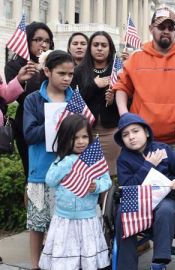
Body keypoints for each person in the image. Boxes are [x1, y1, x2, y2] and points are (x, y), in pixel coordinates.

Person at [113, 5, 175, 164]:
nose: (166, 31)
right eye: (161, 26)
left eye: (171, 27)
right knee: (143, 187)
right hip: (142, 142)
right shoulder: (136, 56)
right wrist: (124, 115)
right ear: (151, 28)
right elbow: (121, 87)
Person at [114, 113, 175, 270]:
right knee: (121, 213)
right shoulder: (124, 159)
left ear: (146, 132)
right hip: (137, 202)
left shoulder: (162, 149)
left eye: (135, 131)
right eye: (126, 135)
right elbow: (128, 187)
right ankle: (126, 266)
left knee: (166, 209)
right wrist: (147, 166)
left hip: (166, 200)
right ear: (122, 140)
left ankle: (159, 261)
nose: (131, 137)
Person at [22, 50, 75, 269]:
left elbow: (85, 132)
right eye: (61, 73)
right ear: (47, 71)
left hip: (69, 172)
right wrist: (55, 121)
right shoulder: (33, 99)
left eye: (70, 74)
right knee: (37, 223)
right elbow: (29, 134)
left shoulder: (75, 99)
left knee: (64, 223)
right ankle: (35, 264)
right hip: (41, 170)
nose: (66, 78)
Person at [39, 114, 111, 270]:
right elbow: (50, 180)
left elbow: (107, 181)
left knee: (87, 258)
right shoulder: (61, 161)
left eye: (85, 136)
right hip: (64, 219)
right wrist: (68, 162)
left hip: (87, 218)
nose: (80, 141)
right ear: (66, 138)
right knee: (65, 260)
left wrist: (96, 186)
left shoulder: (94, 159)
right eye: (75, 137)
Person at [4, 21, 54, 177]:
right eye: (38, 40)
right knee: (32, 176)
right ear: (28, 41)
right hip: (28, 125)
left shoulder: (54, 64)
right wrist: (28, 77)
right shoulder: (14, 66)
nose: (43, 44)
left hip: (54, 122)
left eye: (46, 41)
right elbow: (21, 98)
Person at [71, 31, 120, 176]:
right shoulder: (78, 71)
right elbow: (74, 101)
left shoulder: (118, 70)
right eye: (96, 45)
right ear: (90, 48)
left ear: (110, 48)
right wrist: (93, 85)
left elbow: (128, 101)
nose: (99, 48)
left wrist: (113, 100)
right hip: (86, 132)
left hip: (111, 130)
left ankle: (107, 200)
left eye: (104, 45)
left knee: (109, 174)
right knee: (88, 174)